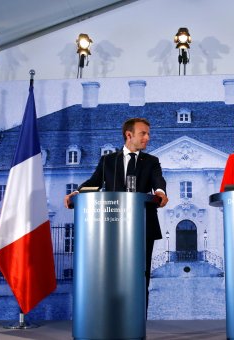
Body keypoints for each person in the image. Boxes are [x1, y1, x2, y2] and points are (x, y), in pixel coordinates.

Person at [64, 117, 168, 311]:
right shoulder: (108, 161)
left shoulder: (152, 161)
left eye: (148, 133)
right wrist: (78, 192)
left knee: (140, 276)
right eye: (143, 133)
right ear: (129, 135)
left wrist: (161, 192)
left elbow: (158, 181)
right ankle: (112, 318)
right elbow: (93, 182)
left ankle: (137, 323)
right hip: (112, 227)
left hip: (143, 226)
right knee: (112, 275)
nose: (148, 137)